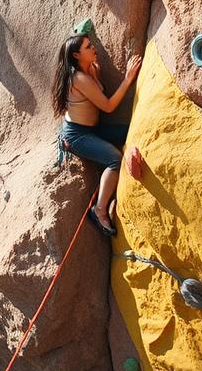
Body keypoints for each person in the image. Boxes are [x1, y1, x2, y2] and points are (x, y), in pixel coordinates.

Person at [53, 34, 142, 237]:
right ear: (77, 55)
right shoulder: (79, 78)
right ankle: (99, 209)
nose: (93, 48)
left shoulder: (90, 69)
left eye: (91, 44)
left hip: (93, 129)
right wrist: (128, 78)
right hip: (76, 136)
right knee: (114, 159)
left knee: (128, 131)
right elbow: (108, 106)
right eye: (88, 47)